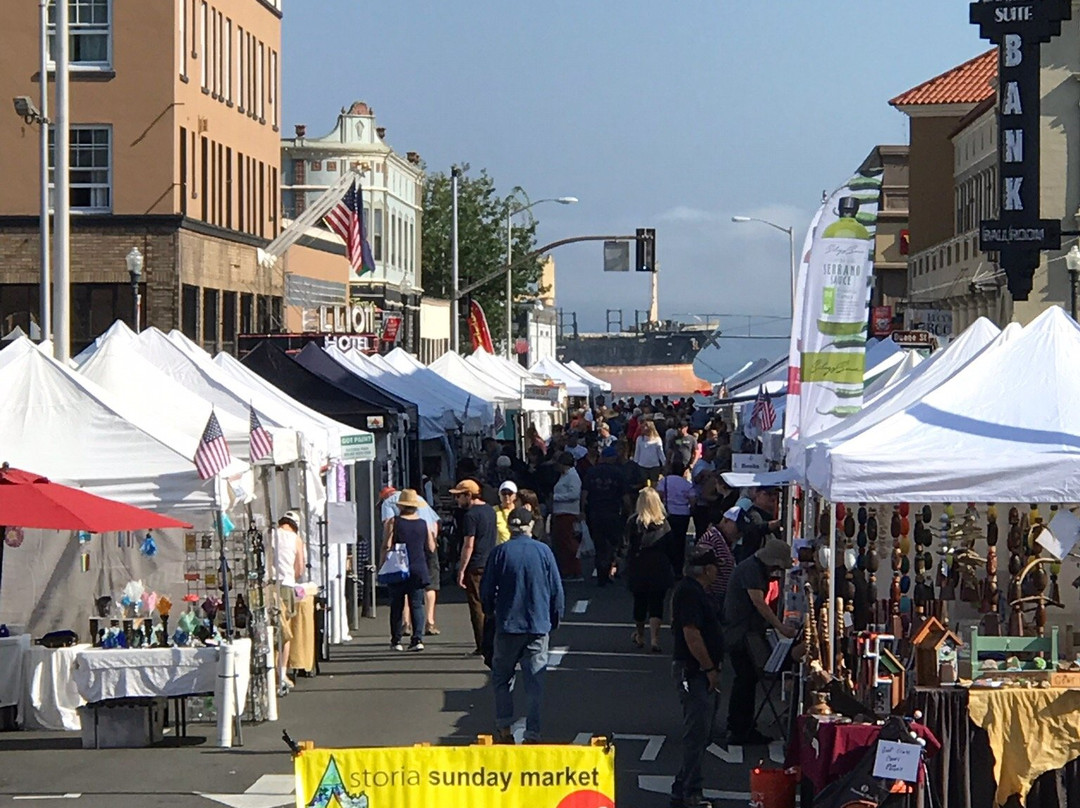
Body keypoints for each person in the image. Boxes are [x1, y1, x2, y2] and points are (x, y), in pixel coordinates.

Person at [481, 507, 565, 744]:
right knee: (535, 681)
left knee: (502, 678)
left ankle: (504, 729)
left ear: (509, 527)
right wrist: (554, 619)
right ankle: (532, 733)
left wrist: (490, 613)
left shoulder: (500, 553)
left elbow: (486, 591)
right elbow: (556, 591)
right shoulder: (544, 552)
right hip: (537, 624)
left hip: (508, 624)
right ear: (530, 527)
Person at [722, 538, 797, 745]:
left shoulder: (754, 568)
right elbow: (759, 603)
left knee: (749, 679)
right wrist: (780, 626)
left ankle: (743, 725)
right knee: (745, 679)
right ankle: (738, 727)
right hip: (740, 633)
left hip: (746, 631)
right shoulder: (752, 570)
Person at [670, 545, 725, 808]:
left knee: (702, 732)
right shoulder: (690, 593)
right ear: (707, 569)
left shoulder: (696, 591)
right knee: (697, 731)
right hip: (693, 671)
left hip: (699, 670)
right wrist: (708, 668)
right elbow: (692, 634)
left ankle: (684, 785)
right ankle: (690, 790)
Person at [381, 485, 442, 635]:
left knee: (398, 601)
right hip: (420, 560)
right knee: (421, 597)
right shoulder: (423, 520)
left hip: (400, 562)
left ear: (400, 505)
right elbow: (432, 541)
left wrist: (382, 562)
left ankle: (404, 627)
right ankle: (425, 629)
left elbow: (387, 542)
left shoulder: (390, 509)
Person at [623, 487, 675, 653]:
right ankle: (655, 638)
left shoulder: (633, 522)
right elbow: (671, 547)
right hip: (659, 565)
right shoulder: (664, 523)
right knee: (657, 603)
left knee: (640, 602)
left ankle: (640, 634)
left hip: (639, 565)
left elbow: (627, 545)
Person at [453, 479, 499, 656]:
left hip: (476, 564)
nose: (457, 500)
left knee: (476, 606)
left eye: (459, 496)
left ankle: (482, 644)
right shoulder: (490, 510)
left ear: (469, 495)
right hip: (490, 561)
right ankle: (493, 640)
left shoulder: (470, 515)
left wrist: (462, 569)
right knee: (490, 603)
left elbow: (468, 544)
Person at [270, 510, 306, 697]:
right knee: (285, 632)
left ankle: (269, 672)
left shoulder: (271, 535)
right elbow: (299, 568)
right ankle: (281, 673)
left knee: (269, 628)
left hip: (269, 585)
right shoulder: (296, 539)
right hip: (287, 584)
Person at [582, 445, 628, 587]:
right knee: (614, 544)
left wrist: (583, 510)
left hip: (595, 512)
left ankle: (602, 574)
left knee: (599, 544)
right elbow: (625, 497)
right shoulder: (618, 473)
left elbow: (584, 494)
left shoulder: (591, 472)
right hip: (613, 512)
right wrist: (629, 512)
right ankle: (609, 570)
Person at [657, 458, 696, 578]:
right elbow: (693, 500)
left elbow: (659, 495)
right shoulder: (687, 484)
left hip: (668, 514)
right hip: (683, 515)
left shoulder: (665, 481)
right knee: (680, 543)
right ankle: (678, 570)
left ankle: (665, 569)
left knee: (666, 541)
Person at [551, 452, 583, 578]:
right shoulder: (564, 476)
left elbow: (575, 494)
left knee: (569, 543)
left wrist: (556, 497)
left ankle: (574, 569)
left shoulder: (573, 476)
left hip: (568, 513)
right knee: (562, 543)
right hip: (560, 512)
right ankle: (566, 569)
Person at [733, 485, 784, 563]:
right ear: (756, 494)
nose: (773, 498)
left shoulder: (769, 516)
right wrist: (769, 526)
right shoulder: (750, 515)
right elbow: (752, 531)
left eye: (776, 494)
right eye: (768, 494)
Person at [633, 419, 666, 486]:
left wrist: (664, 463)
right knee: (645, 484)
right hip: (642, 465)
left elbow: (660, 453)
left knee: (654, 484)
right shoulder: (639, 439)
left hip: (654, 465)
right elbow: (637, 452)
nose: (644, 428)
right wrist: (635, 463)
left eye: (646, 426)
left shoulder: (657, 439)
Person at [494, 480, 517, 545]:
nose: (506, 496)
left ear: (515, 495)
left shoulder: (519, 511)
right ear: (499, 494)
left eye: (510, 493)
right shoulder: (493, 511)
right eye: (504, 493)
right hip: (499, 548)